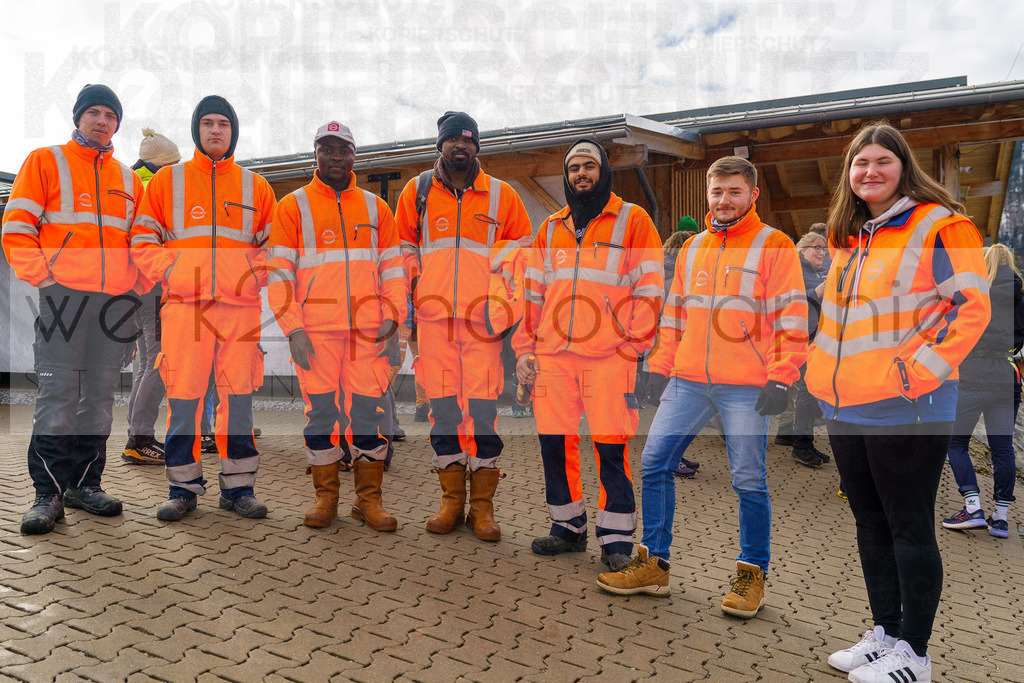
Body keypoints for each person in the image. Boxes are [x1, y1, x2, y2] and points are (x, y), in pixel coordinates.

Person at [803, 122, 989, 683]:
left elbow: (969, 310)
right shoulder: (852, 236)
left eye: (882, 161)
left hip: (908, 406)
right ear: (849, 175)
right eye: (860, 164)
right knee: (870, 524)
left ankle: (916, 655)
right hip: (846, 406)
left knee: (909, 527)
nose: (870, 172)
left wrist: (914, 375)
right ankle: (884, 634)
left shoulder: (942, 225)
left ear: (903, 167)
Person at [597, 156, 808, 621]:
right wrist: (658, 365)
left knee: (748, 478)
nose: (724, 200)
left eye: (734, 192)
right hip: (688, 379)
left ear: (753, 195)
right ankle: (654, 565)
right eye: (717, 192)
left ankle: (752, 574)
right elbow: (675, 313)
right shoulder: (693, 248)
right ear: (706, 196)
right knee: (653, 464)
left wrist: (782, 375)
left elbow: (791, 317)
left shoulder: (774, 245)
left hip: (747, 387)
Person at [513, 139, 664, 572]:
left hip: (608, 358)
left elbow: (650, 287)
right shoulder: (550, 228)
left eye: (589, 166)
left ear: (604, 171)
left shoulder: (632, 220)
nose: (581, 174)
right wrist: (526, 348)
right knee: (554, 445)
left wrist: (632, 346)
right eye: (574, 167)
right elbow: (532, 294)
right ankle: (568, 527)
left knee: (610, 448)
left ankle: (616, 539)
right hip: (554, 358)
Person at [3, 84, 145, 534]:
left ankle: (86, 484)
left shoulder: (129, 179)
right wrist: (46, 278)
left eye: (110, 115)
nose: (102, 121)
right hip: (62, 297)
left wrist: (133, 291)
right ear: (78, 117)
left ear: (116, 124)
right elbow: (17, 229)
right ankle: (48, 494)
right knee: (58, 394)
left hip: (112, 305)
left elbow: (141, 244)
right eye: (94, 113)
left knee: (99, 396)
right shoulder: (46, 161)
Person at [131, 95, 276, 521]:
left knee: (238, 401)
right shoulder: (166, 183)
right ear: (197, 130)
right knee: (184, 399)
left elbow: (275, 247)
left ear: (233, 132)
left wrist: (250, 277)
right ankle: (182, 488)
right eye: (208, 123)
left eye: (224, 125)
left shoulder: (256, 186)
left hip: (240, 310)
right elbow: (142, 240)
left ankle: (239, 489)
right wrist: (172, 272)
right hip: (184, 309)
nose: (216, 130)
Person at [395, 111, 532, 541]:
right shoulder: (416, 192)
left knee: (483, 412)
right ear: (440, 145)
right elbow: (400, 255)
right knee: (444, 412)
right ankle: (451, 501)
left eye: (468, 140)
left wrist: (507, 314)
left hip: (483, 328)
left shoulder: (503, 196)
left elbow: (523, 262)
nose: (461, 146)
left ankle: (483, 507)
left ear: (478, 147)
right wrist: (407, 312)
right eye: (453, 139)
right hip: (434, 325)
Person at [268, 121, 406, 531]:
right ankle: (325, 499)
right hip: (315, 335)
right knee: (321, 418)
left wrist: (394, 317)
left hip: (368, 336)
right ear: (315, 154)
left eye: (342, 149)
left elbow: (393, 269)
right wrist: (292, 328)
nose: (334, 157)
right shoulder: (292, 206)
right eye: (326, 149)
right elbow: (279, 272)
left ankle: (368, 502)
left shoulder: (376, 209)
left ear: (353, 156)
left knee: (369, 416)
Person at [942, 242, 1023, 538]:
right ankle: (1000, 518)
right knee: (1003, 449)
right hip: (1006, 375)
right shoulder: (1020, 295)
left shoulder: (976, 292)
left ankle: (972, 507)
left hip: (974, 372)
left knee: (956, 442)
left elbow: (953, 327)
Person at [122, 128, 182, 466]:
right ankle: (140, 437)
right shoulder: (154, 188)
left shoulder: (134, 183)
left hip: (140, 288)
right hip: (156, 286)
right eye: (174, 162)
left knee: (147, 363)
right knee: (160, 363)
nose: (179, 167)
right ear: (160, 163)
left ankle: (136, 436)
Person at [657, 228, 702, 479]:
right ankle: (671, 459)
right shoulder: (679, 274)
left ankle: (674, 457)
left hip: (669, 346)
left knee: (674, 411)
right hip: (674, 347)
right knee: (675, 412)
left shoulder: (663, 269)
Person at [785, 230, 831, 467]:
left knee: (807, 389)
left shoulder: (817, 271)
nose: (821, 252)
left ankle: (793, 436)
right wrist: (818, 292)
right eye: (816, 247)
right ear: (802, 250)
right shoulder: (796, 271)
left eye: (824, 248)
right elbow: (789, 302)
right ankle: (801, 444)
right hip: (800, 338)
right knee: (808, 389)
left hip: (818, 339)